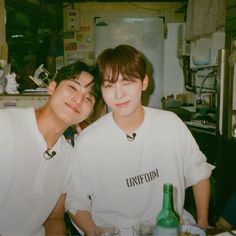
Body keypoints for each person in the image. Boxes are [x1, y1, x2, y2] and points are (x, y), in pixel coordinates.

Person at [66, 45, 215, 236]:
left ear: (144, 82)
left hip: (170, 230)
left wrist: (203, 222)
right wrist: (94, 232)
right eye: (109, 85)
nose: (118, 95)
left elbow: (199, 172)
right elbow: (76, 201)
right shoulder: (90, 140)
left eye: (127, 82)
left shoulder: (170, 124)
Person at [0, 60, 100, 236]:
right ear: (52, 87)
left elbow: (54, 219)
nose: (79, 99)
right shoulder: (6, 125)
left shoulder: (69, 157)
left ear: (90, 112)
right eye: (73, 88)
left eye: (89, 97)